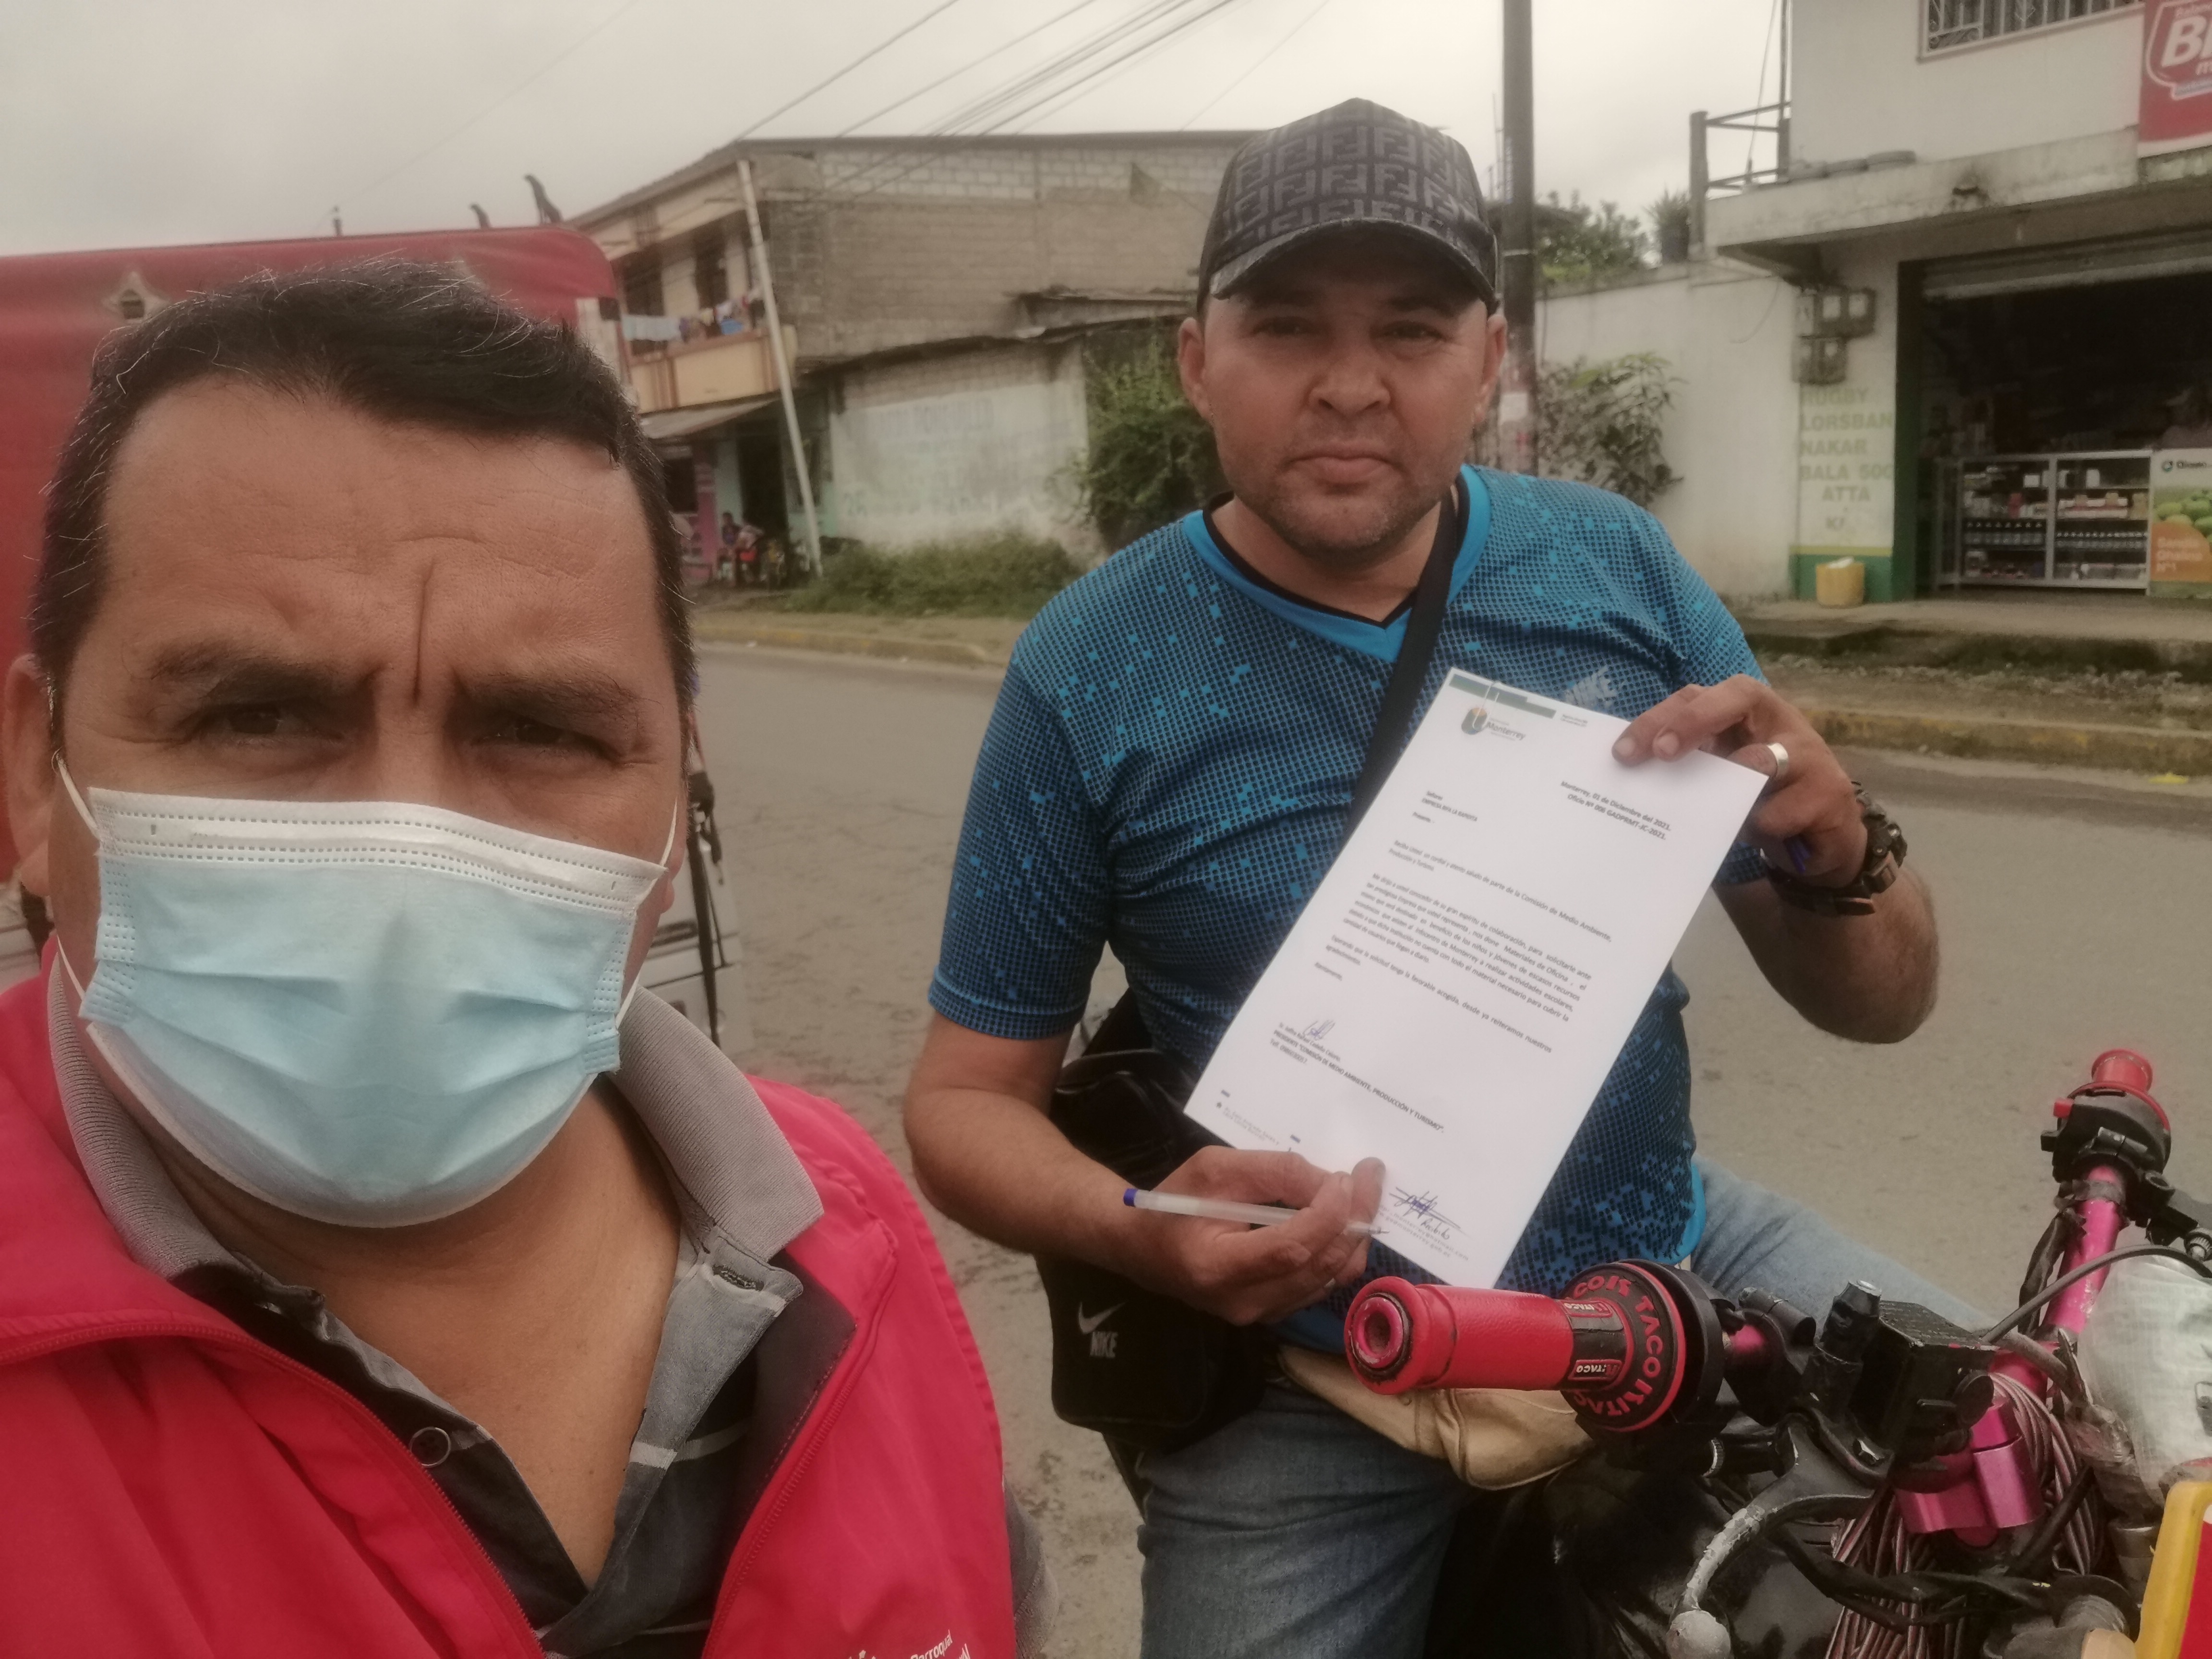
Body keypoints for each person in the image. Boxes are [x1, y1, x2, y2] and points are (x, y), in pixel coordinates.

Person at [903, 99, 1961, 1659]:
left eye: (1411, 329)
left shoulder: (1619, 572)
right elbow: (962, 1104)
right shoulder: (1090, 668)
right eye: (1287, 326)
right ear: (1197, 360)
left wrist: (1844, 851)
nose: (1351, 383)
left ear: (1491, 360)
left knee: (2041, 1467)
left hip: (1671, 1265)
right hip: (1319, 1375)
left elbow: (1880, 1007)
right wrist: (1137, 1223)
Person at [0, 263, 1042, 1659]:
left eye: (543, 731)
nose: (404, 856)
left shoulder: (844, 1235)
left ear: (678, 797)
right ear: (34, 772)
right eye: (257, 715)